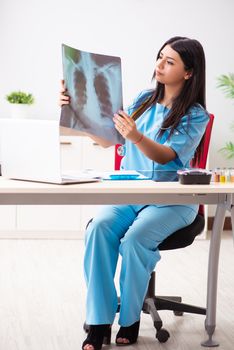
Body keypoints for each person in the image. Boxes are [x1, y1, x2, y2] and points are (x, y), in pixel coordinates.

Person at [59, 36, 210, 350]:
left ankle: (129, 319)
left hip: (172, 201)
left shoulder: (195, 115)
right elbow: (107, 140)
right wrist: (74, 107)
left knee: (134, 239)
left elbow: (166, 156)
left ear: (189, 73)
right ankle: (99, 321)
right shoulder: (142, 99)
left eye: (169, 61)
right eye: (159, 57)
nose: (159, 65)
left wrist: (137, 136)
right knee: (98, 229)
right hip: (129, 192)